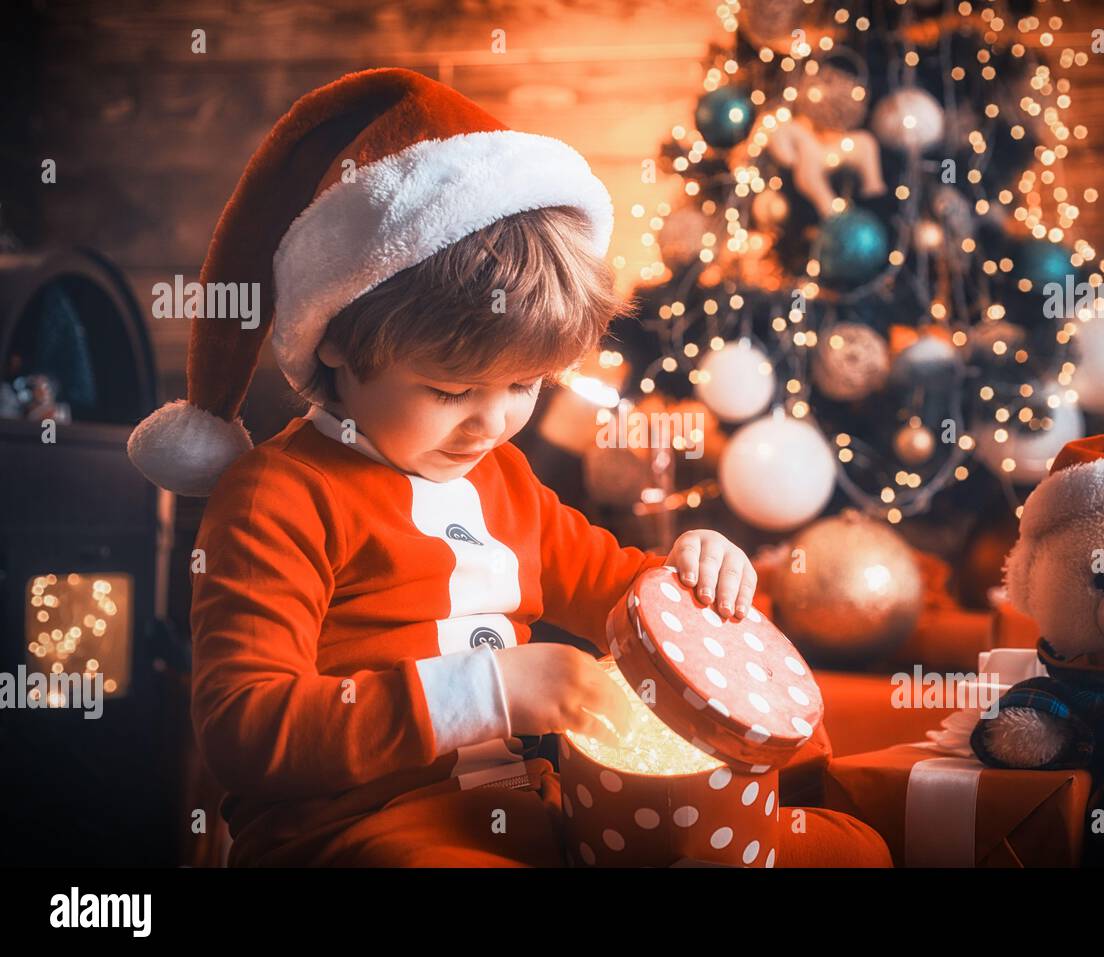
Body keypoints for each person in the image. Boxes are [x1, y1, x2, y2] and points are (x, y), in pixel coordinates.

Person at [128, 68, 891, 868]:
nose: (492, 423)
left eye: (524, 385)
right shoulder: (278, 497)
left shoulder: (504, 481)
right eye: (450, 389)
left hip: (535, 811)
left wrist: (692, 573)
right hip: (357, 833)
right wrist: (492, 689)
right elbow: (247, 730)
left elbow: (619, 594)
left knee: (848, 850)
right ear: (336, 344)